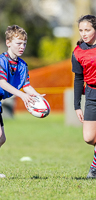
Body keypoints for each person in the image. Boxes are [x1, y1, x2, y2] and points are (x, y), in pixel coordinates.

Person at [0, 25, 45, 181]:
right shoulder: (2, 60)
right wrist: (22, 96)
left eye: (24, 44)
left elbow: (26, 85)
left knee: (2, 138)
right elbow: (2, 83)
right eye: (18, 43)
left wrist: (37, 96)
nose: (22, 47)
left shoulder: (22, 65)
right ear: (8, 43)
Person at [72, 15, 96, 178]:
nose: (84, 34)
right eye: (81, 30)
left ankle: (94, 168)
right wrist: (76, 105)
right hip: (91, 93)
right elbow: (78, 79)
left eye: (87, 30)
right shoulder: (78, 52)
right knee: (88, 138)